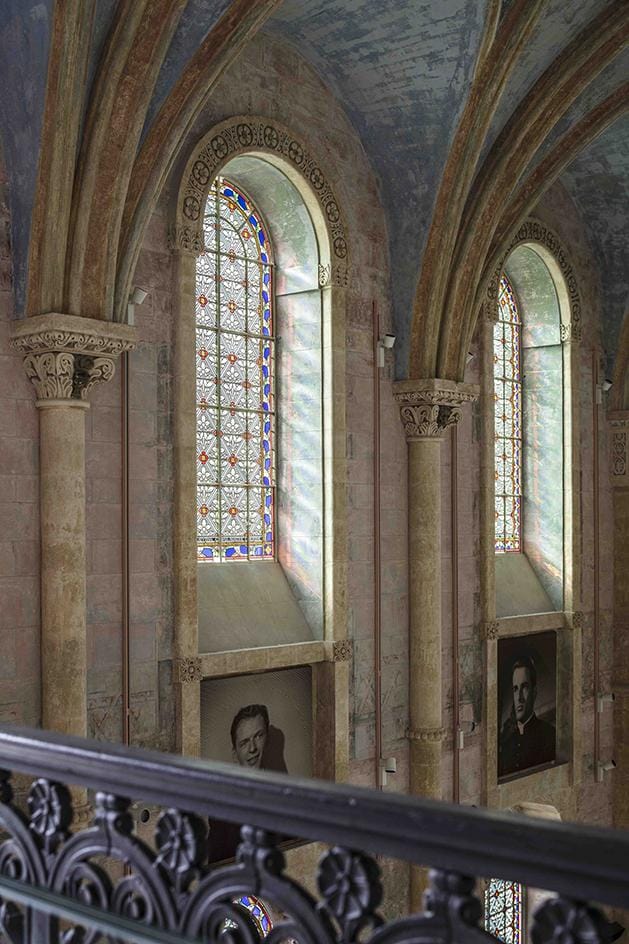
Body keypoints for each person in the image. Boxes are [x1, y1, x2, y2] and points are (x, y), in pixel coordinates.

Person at [498, 655, 555, 779]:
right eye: (515, 689)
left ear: (534, 693)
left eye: (524, 687)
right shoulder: (506, 745)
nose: (519, 698)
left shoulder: (550, 735)